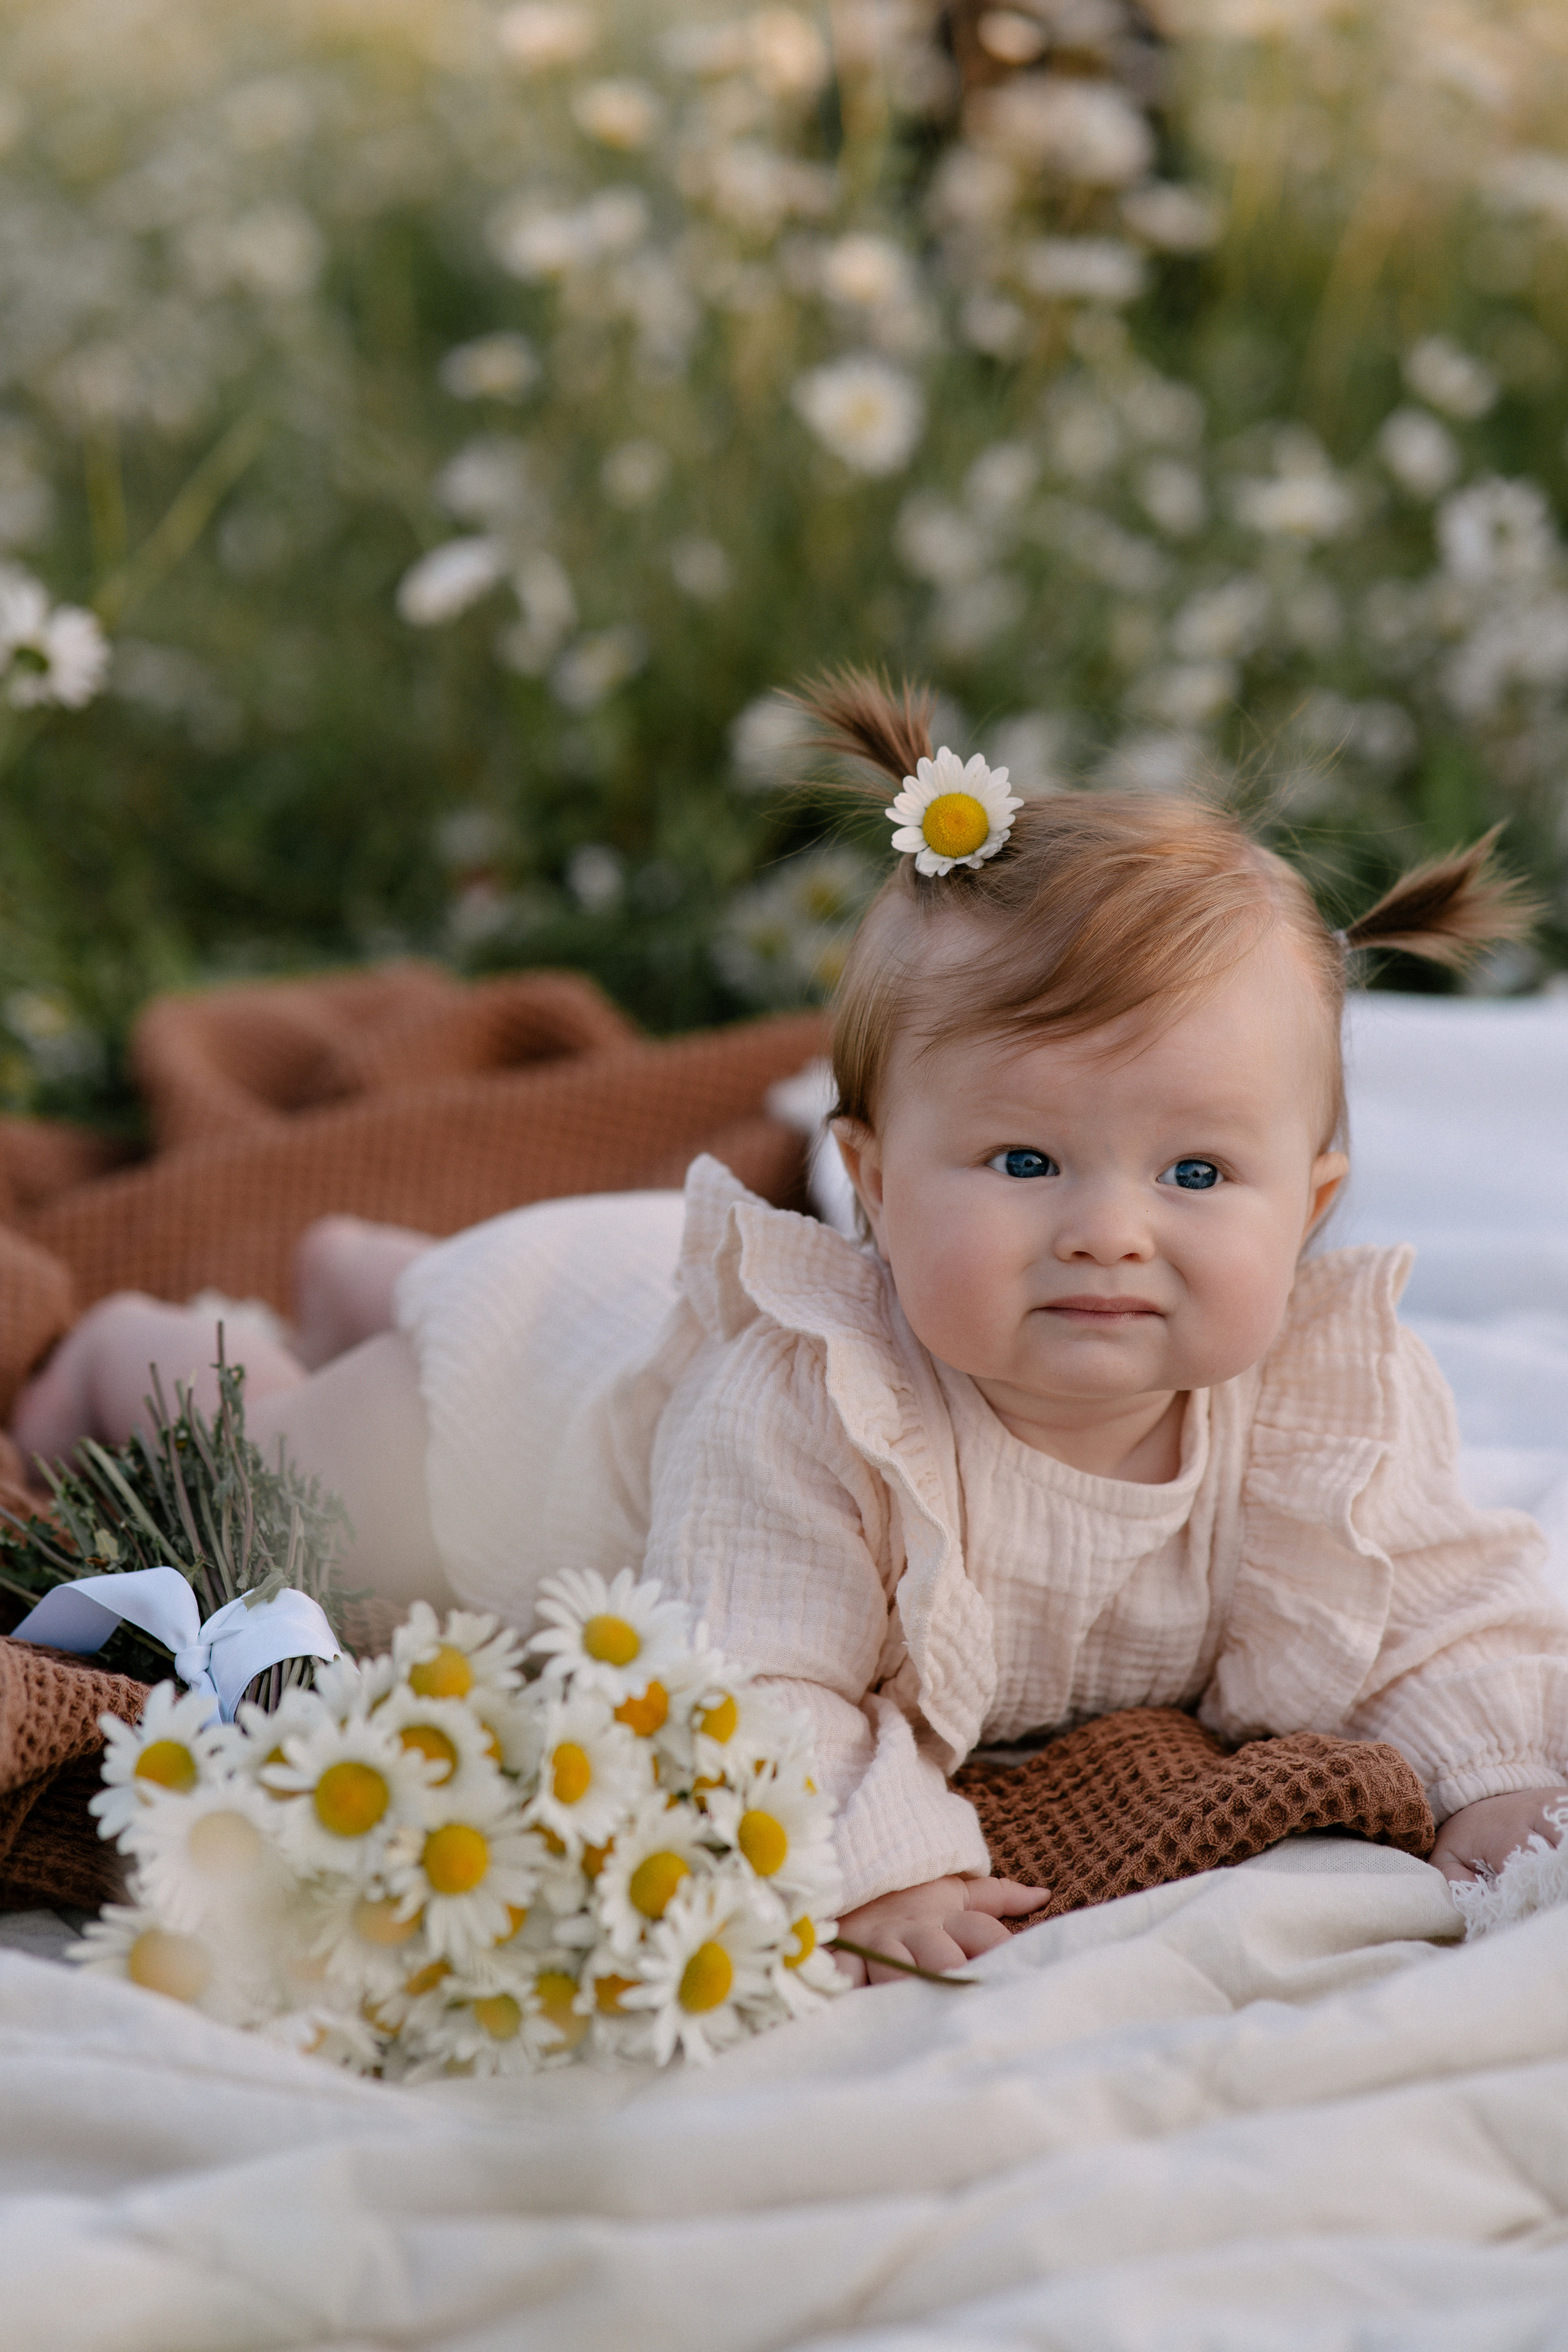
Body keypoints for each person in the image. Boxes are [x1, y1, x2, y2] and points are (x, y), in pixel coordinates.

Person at [17, 673, 1568, 1983]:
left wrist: (1492, 1779)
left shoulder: (1325, 1400)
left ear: (1310, 1205)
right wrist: (872, 1863)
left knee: (468, 1296)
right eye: (1023, 1162)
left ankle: (378, 1265)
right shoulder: (814, 1412)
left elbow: (1437, 1602)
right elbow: (745, 1673)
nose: (1111, 1226)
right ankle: (148, 1349)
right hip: (504, 1426)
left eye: (1194, 1171)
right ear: (873, 1183)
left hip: (622, 1305)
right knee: (273, 1489)